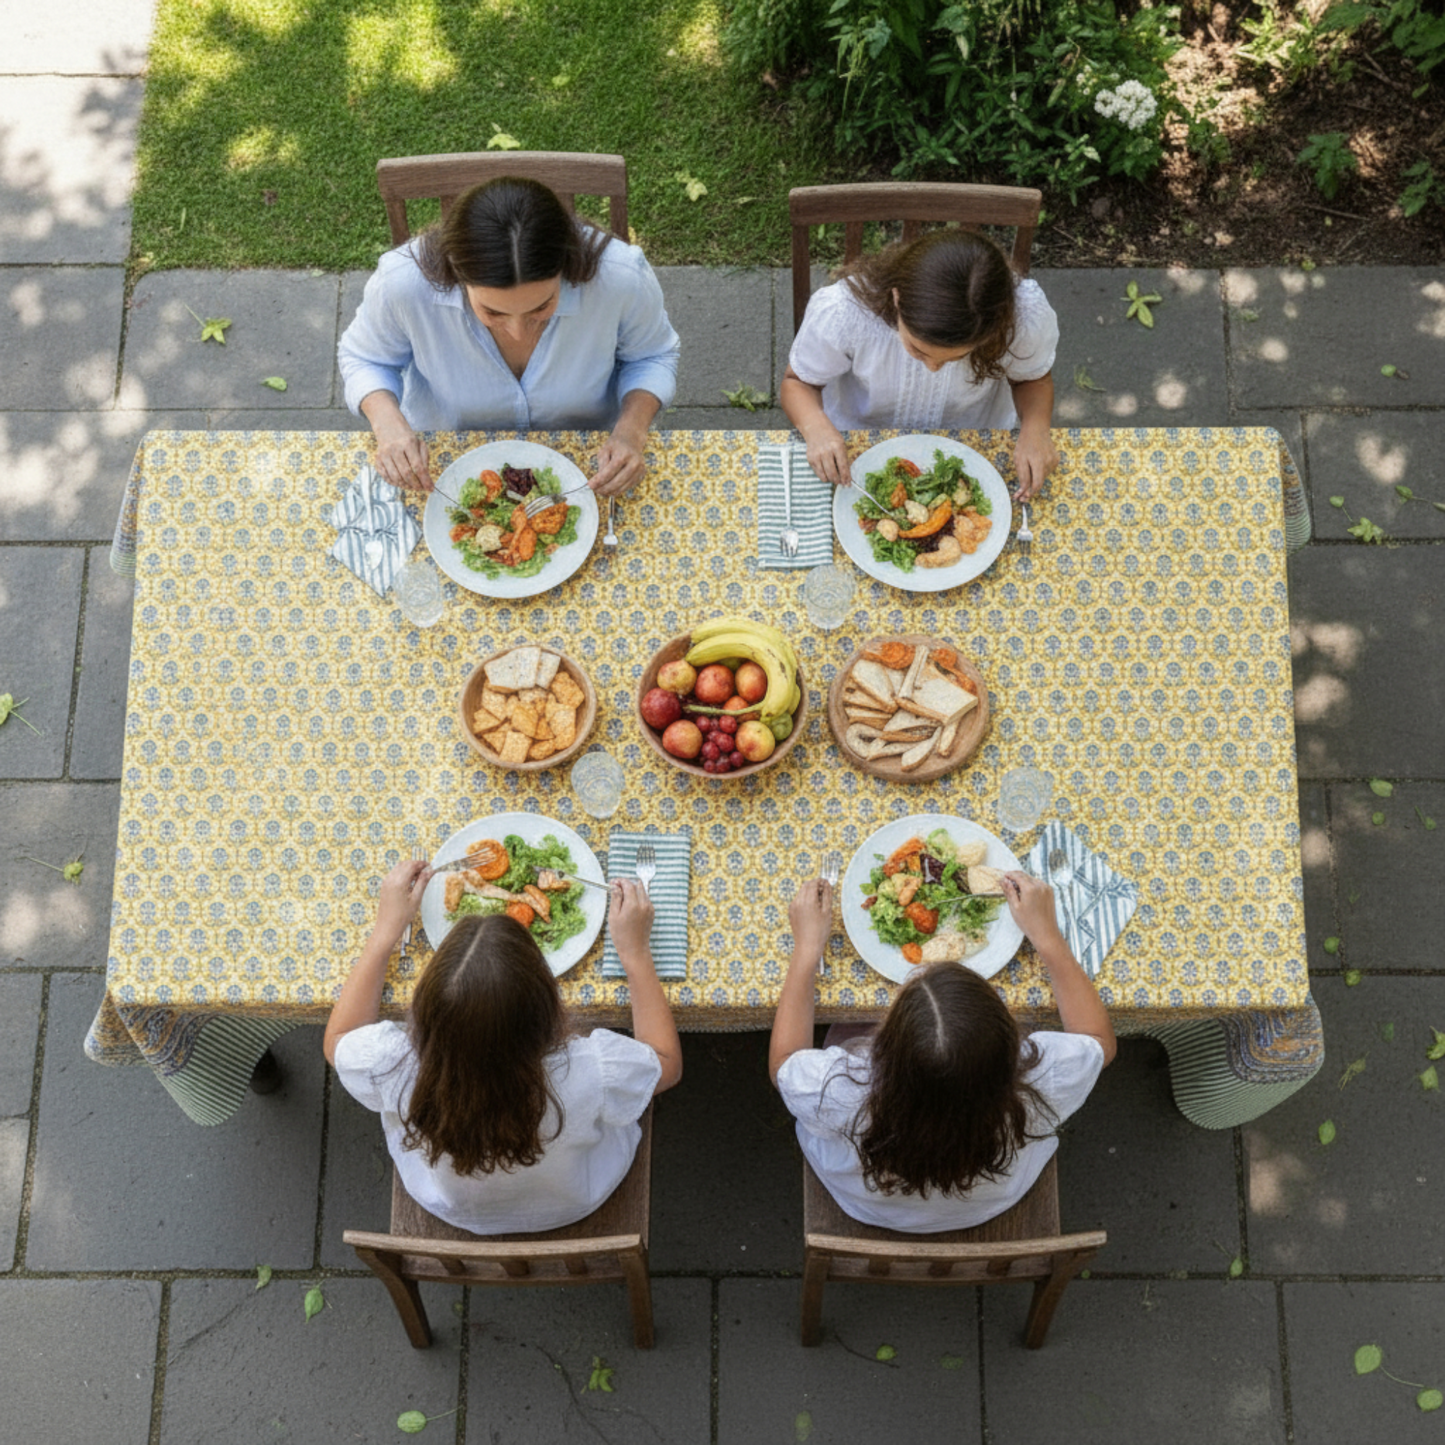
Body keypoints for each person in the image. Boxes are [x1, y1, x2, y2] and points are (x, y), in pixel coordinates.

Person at [323, 864, 681, 1234]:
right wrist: (636, 954)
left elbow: (337, 1041)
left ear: (423, 1010)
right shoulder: (593, 1069)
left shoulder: (389, 1062)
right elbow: (667, 1063)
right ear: (550, 1010)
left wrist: (385, 932)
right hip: (576, 1196)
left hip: (451, 1205)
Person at [769, 871, 1114, 1231]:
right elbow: (1099, 1041)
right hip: (990, 1200)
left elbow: (783, 1064)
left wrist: (807, 950)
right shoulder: (1046, 1078)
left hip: (866, 1202)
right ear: (1013, 1042)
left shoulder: (838, 1090)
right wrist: (1048, 936)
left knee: (840, 1027)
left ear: (880, 1048)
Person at [338, 177, 681, 497]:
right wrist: (387, 425)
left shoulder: (621, 278)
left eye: (541, 307)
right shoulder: (403, 284)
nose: (518, 330)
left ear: (566, 266)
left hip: (589, 460)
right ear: (457, 272)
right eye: (494, 312)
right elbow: (365, 358)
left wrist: (631, 431)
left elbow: (652, 355)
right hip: (445, 458)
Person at [780, 229, 1060, 501]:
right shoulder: (846, 312)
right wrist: (815, 428)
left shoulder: (1023, 318)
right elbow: (798, 382)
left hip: (972, 446)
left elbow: (1031, 379)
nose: (934, 368)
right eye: (917, 349)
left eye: (956, 358)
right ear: (897, 298)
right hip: (858, 447)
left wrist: (1036, 428)